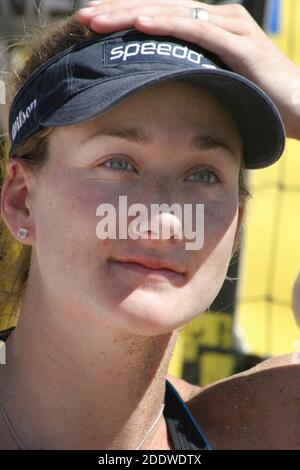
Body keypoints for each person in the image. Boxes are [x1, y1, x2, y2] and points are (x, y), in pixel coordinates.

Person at [0, 1, 297, 451]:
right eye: (118, 163)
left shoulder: (259, 427)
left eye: (202, 174)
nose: (163, 222)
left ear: (235, 221)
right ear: (22, 200)